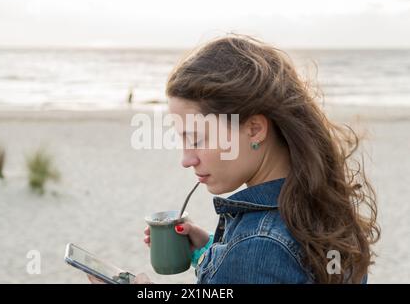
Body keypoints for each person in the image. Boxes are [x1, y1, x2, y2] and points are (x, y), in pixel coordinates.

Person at [96, 34, 380, 284]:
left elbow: (262, 259)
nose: (186, 160)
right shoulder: (322, 207)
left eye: (197, 139)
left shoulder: (256, 248)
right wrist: (209, 251)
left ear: (254, 129)